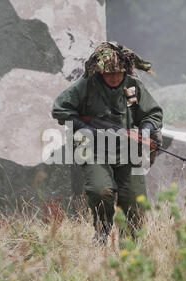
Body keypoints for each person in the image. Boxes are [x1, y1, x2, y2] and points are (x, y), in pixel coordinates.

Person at [51, 41, 163, 245]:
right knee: (100, 190)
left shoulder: (133, 86)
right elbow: (60, 109)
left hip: (127, 151)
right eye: (108, 73)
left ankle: (130, 250)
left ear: (125, 70)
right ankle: (102, 230)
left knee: (135, 203)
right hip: (93, 149)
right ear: (99, 71)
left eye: (118, 73)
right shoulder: (85, 86)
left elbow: (153, 114)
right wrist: (87, 128)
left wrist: (146, 130)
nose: (113, 77)